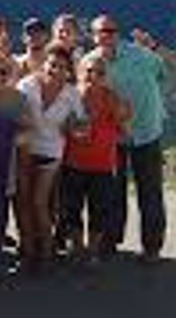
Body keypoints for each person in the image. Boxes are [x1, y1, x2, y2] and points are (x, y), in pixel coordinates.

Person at [92, 15, 175, 263]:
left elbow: (170, 68)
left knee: (149, 192)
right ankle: (110, 242)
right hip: (114, 136)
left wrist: (154, 46)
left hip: (146, 132)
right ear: (93, 36)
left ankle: (152, 247)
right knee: (112, 191)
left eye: (110, 31)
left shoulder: (140, 54)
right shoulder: (90, 62)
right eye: (100, 31)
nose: (105, 36)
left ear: (118, 34)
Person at [16, 44, 85, 269]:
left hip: (51, 151)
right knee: (23, 202)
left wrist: (73, 128)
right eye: (52, 64)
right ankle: (28, 251)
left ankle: (47, 252)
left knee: (39, 202)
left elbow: (82, 127)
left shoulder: (71, 94)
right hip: (24, 149)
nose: (56, 70)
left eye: (62, 67)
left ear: (68, 70)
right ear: (43, 63)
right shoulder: (26, 85)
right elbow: (14, 113)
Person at [60, 53, 131, 264]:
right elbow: (60, 126)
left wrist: (121, 115)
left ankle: (92, 251)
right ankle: (77, 248)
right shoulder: (69, 95)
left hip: (102, 164)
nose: (94, 76)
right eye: (89, 71)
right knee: (71, 208)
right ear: (79, 72)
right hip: (73, 162)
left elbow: (124, 123)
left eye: (100, 73)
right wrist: (72, 128)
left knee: (99, 211)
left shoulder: (111, 97)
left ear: (105, 76)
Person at [0, 53, 33, 261]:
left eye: (2, 73)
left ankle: (27, 251)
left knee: (16, 209)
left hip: (11, 164)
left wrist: (9, 138)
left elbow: (28, 130)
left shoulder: (19, 99)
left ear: (10, 74)